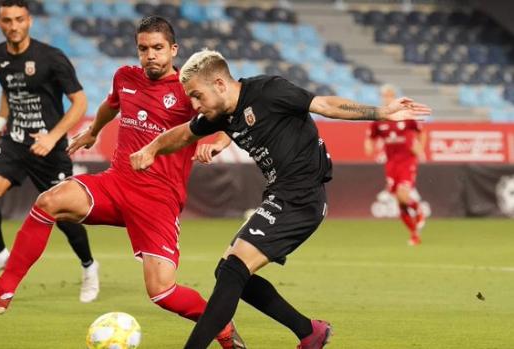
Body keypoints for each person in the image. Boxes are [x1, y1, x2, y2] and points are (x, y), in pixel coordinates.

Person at [0, 16, 245, 349]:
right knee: (49, 201)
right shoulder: (125, 77)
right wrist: (93, 131)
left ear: (174, 50)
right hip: (116, 184)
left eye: (158, 48)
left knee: (162, 292)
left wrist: (218, 141)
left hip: (158, 201)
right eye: (143, 48)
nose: (150, 55)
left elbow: (227, 115)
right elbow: (110, 105)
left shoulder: (187, 90)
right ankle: (2, 291)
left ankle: (222, 326)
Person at [130, 49, 432, 349]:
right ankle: (308, 332)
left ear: (220, 84)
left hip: (303, 196)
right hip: (281, 195)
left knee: (233, 270)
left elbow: (325, 104)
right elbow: (184, 135)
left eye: (197, 95)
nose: (195, 105)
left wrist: (381, 112)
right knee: (228, 273)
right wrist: (152, 149)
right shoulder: (221, 114)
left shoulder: (269, 91)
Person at [0, 0, 99, 302]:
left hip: (48, 148)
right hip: (15, 141)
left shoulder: (51, 57)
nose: (14, 26)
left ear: (29, 21)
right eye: (7, 20)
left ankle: (89, 267)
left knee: (65, 216)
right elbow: (8, 91)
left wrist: (53, 138)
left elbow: (80, 103)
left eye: (19, 19)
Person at [364, 84, 427, 246]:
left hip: (407, 160)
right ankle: (414, 234)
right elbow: (371, 137)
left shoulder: (405, 115)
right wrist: (370, 145)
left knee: (403, 194)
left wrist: (420, 147)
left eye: (390, 95)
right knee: (400, 201)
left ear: (395, 97)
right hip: (391, 163)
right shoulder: (379, 119)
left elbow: (421, 131)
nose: (387, 98)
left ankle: (418, 210)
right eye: (385, 95)